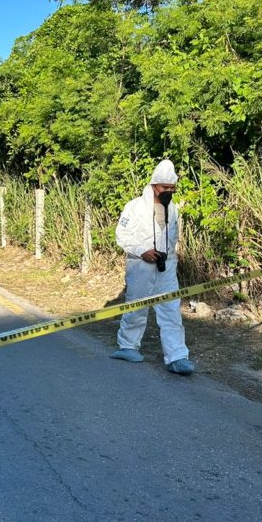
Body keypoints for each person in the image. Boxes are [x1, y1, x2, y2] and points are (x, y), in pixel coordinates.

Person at [111, 158, 195, 375]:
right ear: (154, 185)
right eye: (165, 187)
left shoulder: (173, 209)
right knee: (136, 307)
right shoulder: (135, 207)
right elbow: (122, 235)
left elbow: (173, 237)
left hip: (166, 268)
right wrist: (142, 250)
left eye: (172, 188)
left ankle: (177, 356)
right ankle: (128, 346)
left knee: (171, 311)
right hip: (140, 266)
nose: (168, 191)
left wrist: (168, 258)